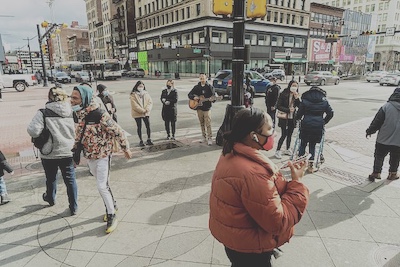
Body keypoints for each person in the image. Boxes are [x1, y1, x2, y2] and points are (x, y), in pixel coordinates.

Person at [209, 107, 309, 267]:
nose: (273, 133)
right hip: (251, 250)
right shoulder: (254, 173)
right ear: (253, 136)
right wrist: (297, 184)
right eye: (269, 129)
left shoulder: (231, 152)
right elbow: (278, 222)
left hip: (236, 241)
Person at [70, 84, 132, 233]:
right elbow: (79, 134)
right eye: (71, 97)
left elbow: (117, 131)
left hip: (103, 155)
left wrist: (126, 148)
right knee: (104, 184)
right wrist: (75, 153)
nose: (71, 101)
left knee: (101, 186)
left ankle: (111, 214)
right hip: (90, 156)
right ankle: (113, 204)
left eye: (75, 98)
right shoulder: (80, 114)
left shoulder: (99, 114)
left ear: (84, 99)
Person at [27, 87, 78, 215]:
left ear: (49, 97)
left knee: (51, 177)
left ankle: (50, 198)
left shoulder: (43, 113)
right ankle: (74, 206)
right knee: (70, 179)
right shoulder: (71, 111)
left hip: (49, 152)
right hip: (68, 150)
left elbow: (33, 131)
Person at [296, 86, 334, 172]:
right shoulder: (324, 101)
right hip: (318, 125)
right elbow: (331, 113)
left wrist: (298, 119)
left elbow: (299, 114)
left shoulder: (305, 100)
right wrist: (324, 121)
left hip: (306, 124)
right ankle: (311, 165)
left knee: (303, 143)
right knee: (312, 145)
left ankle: (299, 164)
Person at [366, 88, 400, 181]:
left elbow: (377, 121)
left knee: (379, 155)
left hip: (383, 138)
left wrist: (370, 131)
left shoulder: (386, 107)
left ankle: (376, 172)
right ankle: (393, 174)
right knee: (396, 157)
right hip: (398, 141)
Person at [275, 80, 300, 159]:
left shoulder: (296, 95)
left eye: (296, 86)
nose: (294, 87)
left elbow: (300, 106)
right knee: (284, 134)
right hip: (284, 117)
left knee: (290, 134)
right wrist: (288, 110)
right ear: (290, 85)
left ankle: (287, 149)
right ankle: (278, 150)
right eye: (293, 85)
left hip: (292, 118)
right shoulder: (283, 94)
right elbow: (278, 106)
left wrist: (297, 98)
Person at [188, 73, 215, 145]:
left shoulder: (209, 87)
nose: (201, 78)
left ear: (206, 78)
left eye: (203, 77)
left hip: (207, 108)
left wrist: (213, 99)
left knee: (208, 123)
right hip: (199, 107)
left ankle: (210, 138)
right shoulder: (197, 87)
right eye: (200, 77)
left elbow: (214, 97)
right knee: (201, 123)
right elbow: (189, 94)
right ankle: (203, 136)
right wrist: (194, 97)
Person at [130, 81, 153, 146]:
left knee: (148, 126)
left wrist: (147, 109)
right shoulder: (133, 94)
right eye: (139, 86)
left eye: (142, 86)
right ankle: (141, 140)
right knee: (139, 126)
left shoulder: (146, 93)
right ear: (136, 87)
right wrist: (142, 111)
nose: (141, 88)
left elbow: (150, 102)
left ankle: (149, 139)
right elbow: (134, 105)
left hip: (146, 113)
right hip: (137, 113)